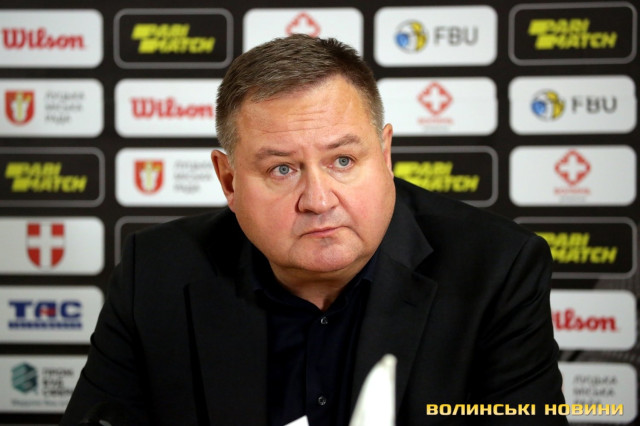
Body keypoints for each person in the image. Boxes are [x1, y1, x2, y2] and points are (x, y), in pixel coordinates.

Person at [61, 35, 566, 425]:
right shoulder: (156, 273)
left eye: (343, 160)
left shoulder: (496, 268)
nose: (319, 201)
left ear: (385, 155)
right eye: (282, 169)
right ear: (229, 180)